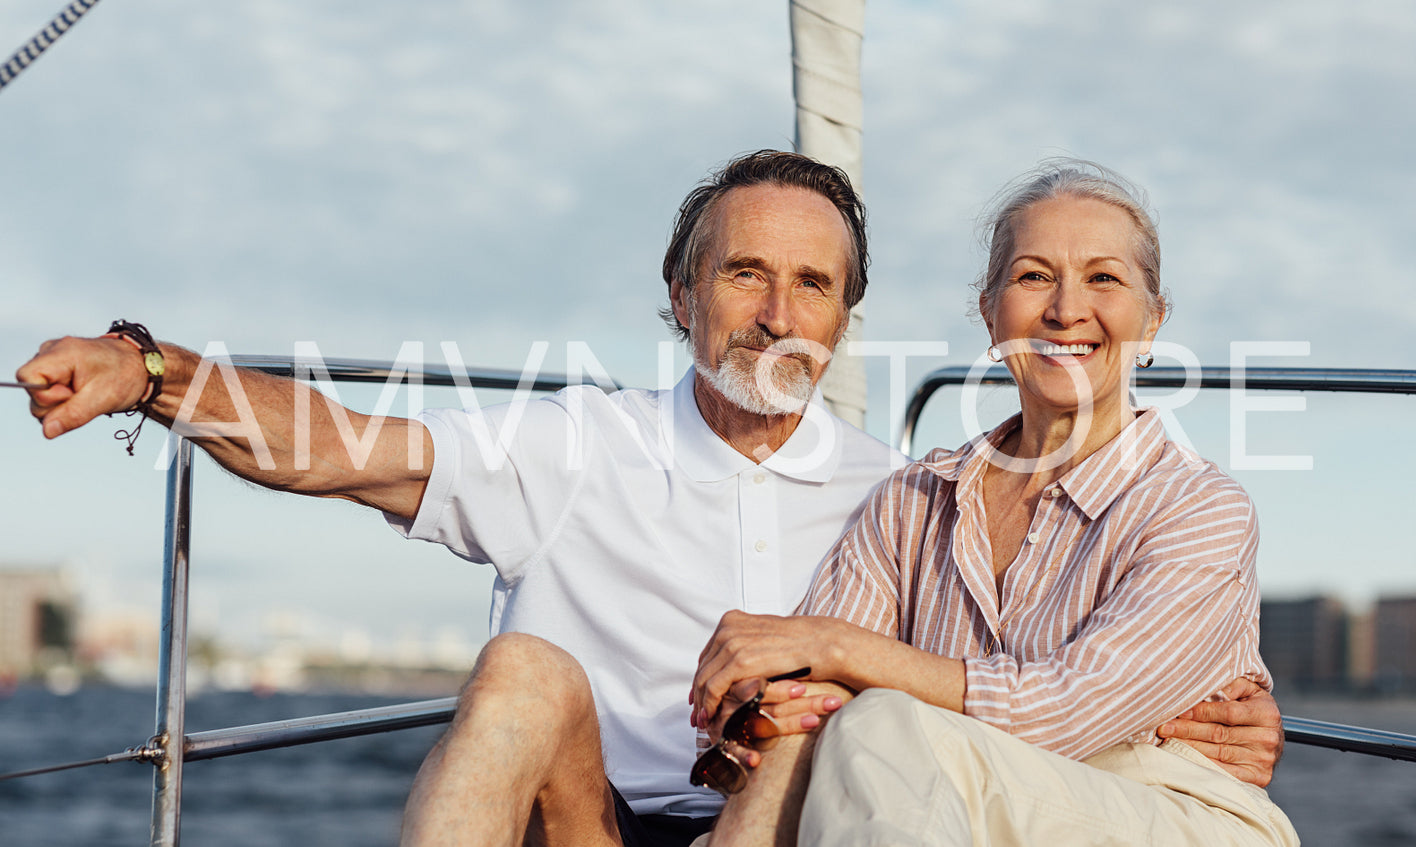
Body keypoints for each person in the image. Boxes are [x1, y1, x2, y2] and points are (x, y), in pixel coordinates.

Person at [18, 151, 1282, 847]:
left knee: (810, 741)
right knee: (520, 668)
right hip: (592, 823)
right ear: (679, 296)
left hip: (780, 825)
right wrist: (154, 371)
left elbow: (992, 680)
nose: (777, 312)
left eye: (811, 284)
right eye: (742, 273)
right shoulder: (580, 444)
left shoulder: (884, 488)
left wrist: (1181, 723)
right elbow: (351, 446)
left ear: (846, 320)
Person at [691, 160, 1300, 846]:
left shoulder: (1198, 508)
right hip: (950, 800)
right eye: (1033, 276)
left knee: (879, 722)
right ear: (990, 313)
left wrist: (839, 647)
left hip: (1164, 809)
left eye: (1103, 277)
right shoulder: (912, 501)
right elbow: (796, 694)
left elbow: (1064, 713)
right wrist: (805, 678)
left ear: (1152, 320)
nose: (1066, 308)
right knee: (849, 729)